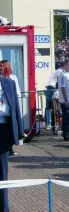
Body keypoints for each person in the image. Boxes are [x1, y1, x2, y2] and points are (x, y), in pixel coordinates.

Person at [0, 76, 24, 212]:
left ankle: (3, 208)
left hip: (2, 132)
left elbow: (13, 108)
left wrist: (19, 132)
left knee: (2, 173)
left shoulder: (9, 83)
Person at [0, 60, 22, 157]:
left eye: (2, 66)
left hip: (9, 109)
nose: (0, 68)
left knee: (11, 130)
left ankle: (10, 148)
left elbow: (17, 92)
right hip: (2, 112)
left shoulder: (13, 78)